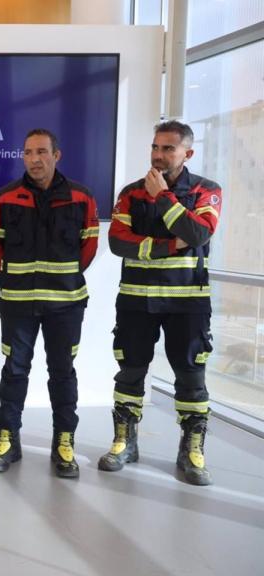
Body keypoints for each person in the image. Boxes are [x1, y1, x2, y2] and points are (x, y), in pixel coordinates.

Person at [100, 120, 222, 486]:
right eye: (155, 147)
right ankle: (125, 440)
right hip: (136, 302)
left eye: (168, 148)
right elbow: (118, 242)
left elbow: (199, 233)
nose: (158, 155)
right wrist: (171, 243)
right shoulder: (131, 192)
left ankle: (192, 450)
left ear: (188, 152)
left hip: (187, 304)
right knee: (130, 372)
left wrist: (164, 199)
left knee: (190, 377)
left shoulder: (206, 190)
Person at [0, 128, 99, 478]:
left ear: (56, 155)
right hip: (18, 303)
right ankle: (8, 438)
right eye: (29, 153)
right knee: (14, 371)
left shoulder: (81, 197)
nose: (35, 159)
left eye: (42, 152)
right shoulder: (5, 198)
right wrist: (16, 279)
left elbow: (89, 247)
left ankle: (64, 442)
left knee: (62, 373)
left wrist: (62, 279)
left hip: (65, 304)